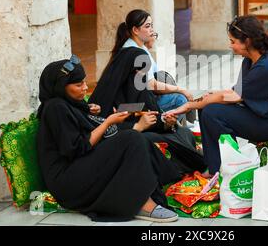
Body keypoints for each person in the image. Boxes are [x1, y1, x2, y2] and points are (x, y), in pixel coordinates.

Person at [36, 55, 180, 222]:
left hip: (79, 167)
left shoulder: (68, 103)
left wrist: (88, 112)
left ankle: (164, 184)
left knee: (139, 140)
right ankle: (141, 203)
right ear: (60, 87)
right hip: (68, 182)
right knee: (131, 139)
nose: (84, 88)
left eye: (84, 82)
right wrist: (108, 122)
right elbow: (77, 149)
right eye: (78, 84)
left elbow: (78, 125)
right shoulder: (55, 108)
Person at [164, 15, 268, 176]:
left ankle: (222, 168)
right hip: (263, 116)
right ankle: (220, 165)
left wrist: (188, 105)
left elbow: (232, 96)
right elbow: (238, 93)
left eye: (233, 41)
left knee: (211, 111)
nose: (231, 46)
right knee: (209, 108)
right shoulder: (249, 61)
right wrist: (211, 96)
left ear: (247, 42)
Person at [88, 11, 207, 176]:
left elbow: (141, 107)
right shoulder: (106, 102)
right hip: (132, 132)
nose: (152, 31)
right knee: (169, 136)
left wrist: (164, 121)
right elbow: (117, 123)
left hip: (137, 120)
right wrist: (140, 124)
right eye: (148, 26)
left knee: (183, 133)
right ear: (135, 30)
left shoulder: (137, 61)